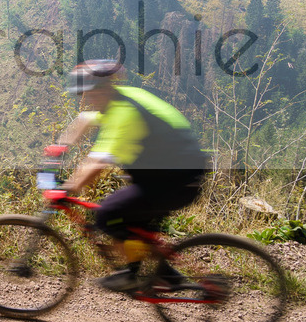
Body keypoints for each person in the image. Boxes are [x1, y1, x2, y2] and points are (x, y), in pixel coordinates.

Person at [51, 59, 209, 291]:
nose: (86, 100)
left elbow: (97, 163)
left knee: (108, 214)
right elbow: (85, 120)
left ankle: (132, 275)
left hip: (175, 181)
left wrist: (68, 188)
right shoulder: (120, 97)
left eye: (89, 94)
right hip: (173, 176)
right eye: (83, 95)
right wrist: (58, 148)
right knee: (134, 225)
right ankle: (166, 275)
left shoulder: (124, 114)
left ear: (103, 90)